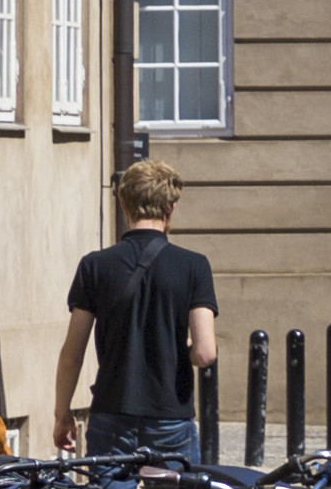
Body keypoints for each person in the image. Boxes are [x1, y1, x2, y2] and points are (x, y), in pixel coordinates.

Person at [55, 159, 223, 459]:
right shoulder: (194, 266)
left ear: (123, 204)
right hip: (170, 413)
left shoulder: (95, 265)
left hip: (111, 410)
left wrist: (62, 413)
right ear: (170, 208)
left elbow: (73, 353)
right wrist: (172, 352)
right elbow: (205, 352)